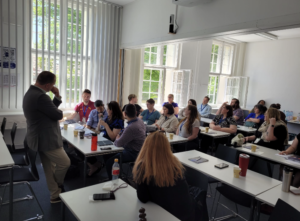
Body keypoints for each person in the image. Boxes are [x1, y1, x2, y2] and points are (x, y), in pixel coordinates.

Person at [23, 71, 70, 203]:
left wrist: (57, 96)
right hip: (46, 138)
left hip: (38, 138)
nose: (53, 87)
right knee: (65, 163)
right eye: (52, 85)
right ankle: (59, 184)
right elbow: (57, 115)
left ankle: (55, 194)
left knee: (49, 167)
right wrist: (59, 112)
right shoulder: (41, 96)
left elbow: (48, 110)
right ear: (47, 85)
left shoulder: (30, 93)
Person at [132, 132, 198, 221]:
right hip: (188, 213)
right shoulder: (175, 163)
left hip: (166, 216)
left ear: (146, 147)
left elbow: (143, 198)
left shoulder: (143, 167)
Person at [104, 104, 146, 180]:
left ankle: (113, 181)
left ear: (125, 113)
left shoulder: (131, 127)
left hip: (133, 152)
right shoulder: (139, 121)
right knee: (107, 155)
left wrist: (117, 138)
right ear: (136, 112)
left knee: (109, 162)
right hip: (141, 150)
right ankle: (116, 175)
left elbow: (118, 143)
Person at [87, 101, 124, 176]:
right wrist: (100, 122)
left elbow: (113, 137)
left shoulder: (119, 121)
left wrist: (106, 125)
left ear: (112, 110)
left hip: (111, 143)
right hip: (103, 139)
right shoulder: (109, 117)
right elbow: (99, 130)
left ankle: (101, 167)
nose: (106, 111)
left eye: (108, 109)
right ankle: (96, 164)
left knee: (91, 149)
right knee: (87, 146)